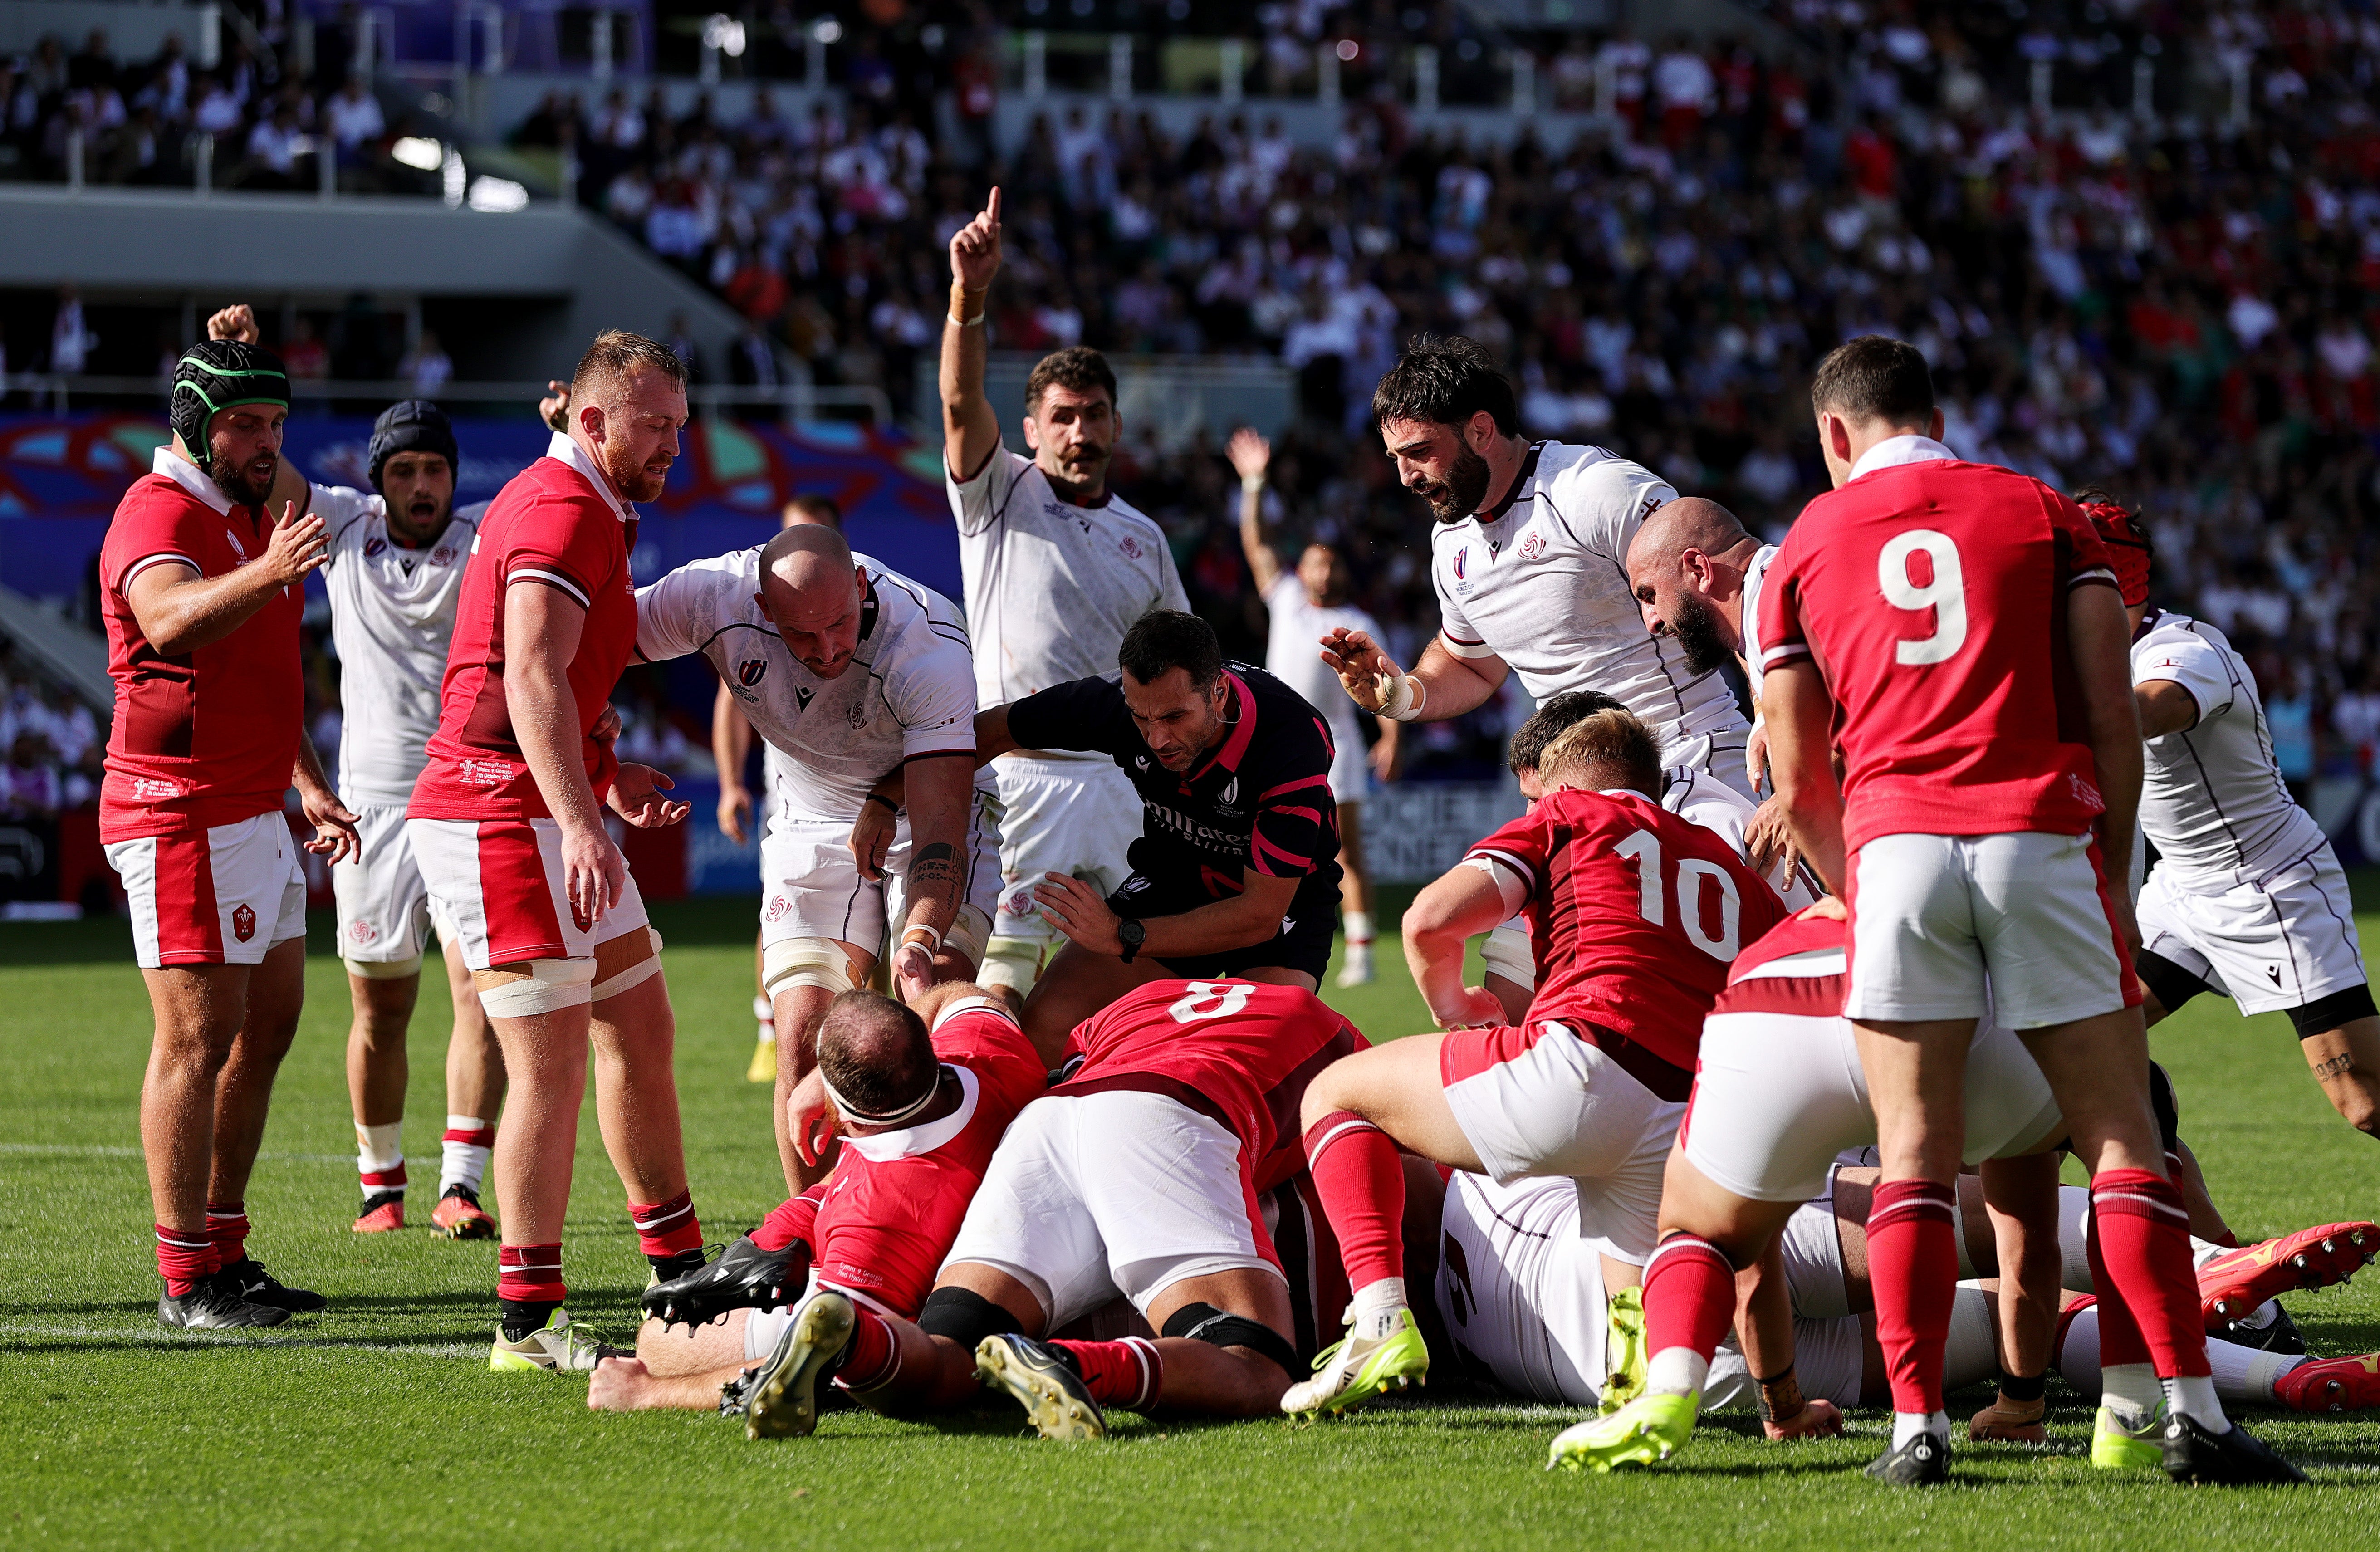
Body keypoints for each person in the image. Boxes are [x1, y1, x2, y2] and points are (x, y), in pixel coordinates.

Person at [1754, 334, 2296, 1483]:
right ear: (1935, 413)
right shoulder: (2045, 511)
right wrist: (2104, 869)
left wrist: (1858, 891)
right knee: (2117, 1136)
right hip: (2038, 827)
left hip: (1896, 842)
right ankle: (2190, 1408)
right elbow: (2109, 714)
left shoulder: (1804, 539)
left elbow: (1800, 782)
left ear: (1835, 435)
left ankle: (1915, 1432)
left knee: (1911, 1148)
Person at [1283, 706, 1786, 1418]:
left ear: (1565, 787)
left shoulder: (1569, 815)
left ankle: (1381, 1322)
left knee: (1333, 1094)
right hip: (1685, 1112)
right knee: (1629, 1318)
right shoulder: (1727, 865)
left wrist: (1456, 1008)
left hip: (1583, 1061)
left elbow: (1429, 919)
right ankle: (1647, 1402)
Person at [406, 330, 704, 1372]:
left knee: (639, 1017)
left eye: (679, 422)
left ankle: (678, 1272)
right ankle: (526, 1320)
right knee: (549, 1059)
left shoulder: (586, 502)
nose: (676, 443)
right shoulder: (563, 508)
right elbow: (527, 674)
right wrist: (582, 818)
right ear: (592, 423)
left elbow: (552, 681)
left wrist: (604, 777)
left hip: (536, 801)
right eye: (653, 425)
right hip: (497, 811)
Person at [100, 328, 357, 1328]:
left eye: (278, 424)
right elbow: (169, 620)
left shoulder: (251, 507)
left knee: (269, 1024)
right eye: (245, 424)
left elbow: (259, 677)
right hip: (179, 810)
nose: (265, 443)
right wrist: (265, 572)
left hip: (253, 806)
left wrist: (310, 782)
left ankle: (225, 1243)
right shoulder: (157, 509)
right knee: (198, 1036)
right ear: (196, 429)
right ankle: (184, 1280)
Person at [812, 977, 1368, 1439]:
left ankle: (858, 1340)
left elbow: (1073, 1062)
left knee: (952, 1354)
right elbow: (1370, 1137)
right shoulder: (1319, 1018)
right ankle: (1075, 1364)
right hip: (1168, 1113)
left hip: (1049, 1124)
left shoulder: (1143, 996)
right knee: (1257, 1366)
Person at [634, 524, 1002, 1193]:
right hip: (811, 816)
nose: (828, 648)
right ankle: (819, 1247)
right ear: (764, 609)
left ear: (861, 587)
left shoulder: (927, 647)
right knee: (801, 1038)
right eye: (803, 635)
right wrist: (601, 757)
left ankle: (938, 1234)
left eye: (839, 624)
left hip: (928, 812)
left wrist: (917, 939)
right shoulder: (713, 597)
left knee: (928, 1011)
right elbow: (579, 641)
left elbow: (944, 829)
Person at [1441, 1163, 2380, 1422]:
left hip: (1660, 1372)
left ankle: (2287, 1382)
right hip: (1692, 1267)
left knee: (2047, 1326)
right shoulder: (1476, 1159)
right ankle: (2211, 1269)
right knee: (1969, 1216)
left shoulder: (1461, 1343)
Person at [939, 187, 1191, 1007]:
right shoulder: (999, 494)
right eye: (1062, 419)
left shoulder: (1144, 537)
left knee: (1142, 978)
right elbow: (955, 402)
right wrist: (970, 297)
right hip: (1024, 776)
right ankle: (979, 1121)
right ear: (1033, 428)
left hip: (1126, 784)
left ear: (1116, 425)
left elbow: (1183, 664)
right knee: (1000, 983)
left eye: (1093, 416)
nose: (1079, 433)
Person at [587, 981, 1045, 1430]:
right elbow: (958, 995)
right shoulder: (986, 1048)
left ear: (845, 1116)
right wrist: (785, 1226)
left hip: (917, 1310)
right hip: (1021, 1245)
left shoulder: (877, 1216)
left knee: (659, 1341)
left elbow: (833, 1351)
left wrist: (646, 1393)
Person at [1318, 333, 1753, 799]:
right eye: (1395, 458)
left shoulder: (1592, 490)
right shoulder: (1448, 543)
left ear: (1481, 431)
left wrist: (1775, 720)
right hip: (1574, 786)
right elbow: (1472, 666)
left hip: (1688, 760)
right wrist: (1397, 694)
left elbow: (1736, 592)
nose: (1405, 477)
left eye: (1419, 451)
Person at [2078, 494, 2380, 1143]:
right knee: (2075, 1053)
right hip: (2179, 894)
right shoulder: (2082, 656)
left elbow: (2145, 711)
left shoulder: (2181, 650)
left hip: (2269, 884)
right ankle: (2206, 1239)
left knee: (2365, 1102)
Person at [937, 609, 1343, 1063]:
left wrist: (1123, 934)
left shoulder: (1290, 741)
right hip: (1175, 881)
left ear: (1219, 690)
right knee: (1047, 1027)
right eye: (1141, 717)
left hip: (1279, 904)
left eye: (1174, 716)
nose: (1156, 738)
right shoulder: (1112, 704)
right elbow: (989, 731)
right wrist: (881, 801)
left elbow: (1258, 915)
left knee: (1254, 1059)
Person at [304, 397, 502, 1238]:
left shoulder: (488, 534)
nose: (422, 486)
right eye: (404, 471)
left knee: (480, 997)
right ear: (377, 479)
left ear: (454, 477)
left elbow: (585, 488)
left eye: (434, 470)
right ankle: (380, 1187)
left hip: (465, 795)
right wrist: (232, 365)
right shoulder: (343, 527)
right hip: (371, 807)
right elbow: (241, 462)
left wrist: (574, 425)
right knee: (381, 1010)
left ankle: (460, 1185)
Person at [1479, 688, 1818, 1024]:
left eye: (1540, 798)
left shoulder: (1703, 824)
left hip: (1799, 1014)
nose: (1531, 815)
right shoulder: (1632, 818)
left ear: (1583, 774)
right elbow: (1503, 1004)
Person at [1229, 426, 1398, 987]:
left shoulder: (1357, 621)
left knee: (1343, 847)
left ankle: (1361, 951)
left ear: (1340, 573)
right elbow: (1255, 543)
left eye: (1330, 564)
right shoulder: (1285, 602)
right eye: (1314, 563)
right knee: (1264, 843)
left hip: (1339, 745)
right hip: (1276, 742)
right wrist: (1253, 484)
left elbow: (1379, 685)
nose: (1322, 571)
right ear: (1301, 571)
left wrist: (1390, 736)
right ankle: (1265, 937)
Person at [715, 492, 842, 1084]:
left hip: (864, 790)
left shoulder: (869, 605)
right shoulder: (759, 613)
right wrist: (729, 784)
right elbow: (730, 702)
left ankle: (862, 1029)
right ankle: (770, 1029)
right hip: (791, 794)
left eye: (814, 534)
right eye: (791, 534)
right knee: (780, 910)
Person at [1622, 493, 1804, 868]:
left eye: (1650, 595)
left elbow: (1874, 705)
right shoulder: (1770, 597)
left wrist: (1792, 797)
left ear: (1699, 570)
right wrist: (1767, 712)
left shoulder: (1785, 602)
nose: (1652, 622)